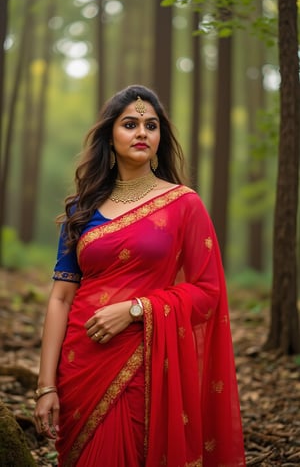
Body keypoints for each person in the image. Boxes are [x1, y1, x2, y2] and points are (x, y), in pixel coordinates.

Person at [34, 85, 246, 467]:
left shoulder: (184, 204)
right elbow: (60, 297)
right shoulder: (82, 208)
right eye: (130, 124)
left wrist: (136, 309)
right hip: (80, 364)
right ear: (109, 136)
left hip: (147, 363)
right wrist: (45, 385)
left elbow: (208, 292)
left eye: (151, 125)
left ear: (160, 136)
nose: (142, 133)